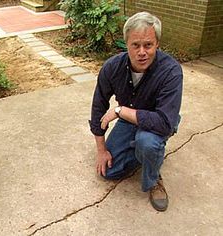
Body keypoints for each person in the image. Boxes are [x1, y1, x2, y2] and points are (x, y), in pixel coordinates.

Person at [89, 11, 183, 212]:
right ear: (126, 44)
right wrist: (101, 150)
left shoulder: (171, 71)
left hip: (160, 119)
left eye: (148, 45)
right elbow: (98, 106)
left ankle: (153, 177)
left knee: (147, 142)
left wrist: (120, 110)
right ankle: (148, 155)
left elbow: (164, 123)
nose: (142, 52)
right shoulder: (112, 67)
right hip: (130, 119)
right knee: (109, 171)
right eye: (136, 45)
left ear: (157, 43)